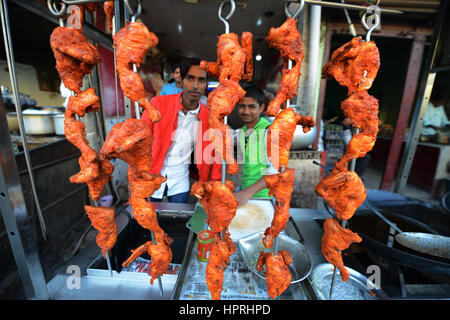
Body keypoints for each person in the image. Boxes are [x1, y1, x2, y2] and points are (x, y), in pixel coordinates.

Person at [141, 58, 221, 203]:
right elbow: (139, 143)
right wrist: (136, 178)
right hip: (151, 176)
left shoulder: (210, 118)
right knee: (147, 223)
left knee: (177, 222)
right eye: (190, 78)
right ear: (181, 80)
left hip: (180, 180)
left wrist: (213, 183)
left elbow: (215, 154)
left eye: (201, 80)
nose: (195, 86)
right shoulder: (158, 104)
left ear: (206, 84)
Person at [233, 85, 278, 205]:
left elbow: (275, 171)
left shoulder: (268, 131)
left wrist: (246, 193)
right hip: (245, 194)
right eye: (242, 106)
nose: (246, 111)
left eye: (251, 107)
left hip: (265, 198)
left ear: (262, 108)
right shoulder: (242, 131)